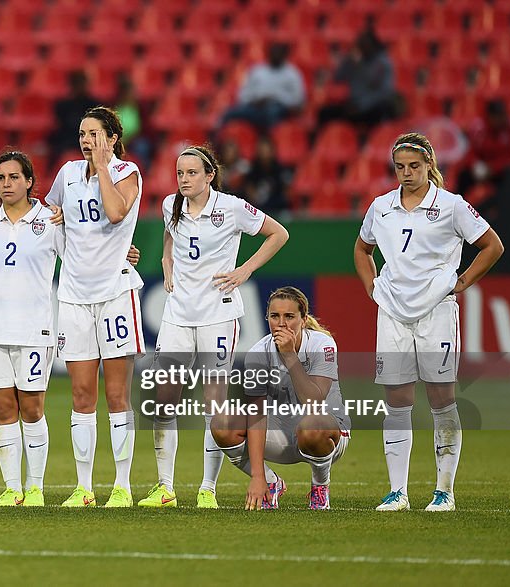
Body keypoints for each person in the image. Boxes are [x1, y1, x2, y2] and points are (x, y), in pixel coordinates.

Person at [354, 133, 504, 512]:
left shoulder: (452, 206)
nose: (406, 173)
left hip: (436, 311)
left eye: (414, 166)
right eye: (400, 167)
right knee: (397, 401)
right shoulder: (381, 206)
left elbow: (492, 245)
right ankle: (397, 492)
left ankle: (444, 491)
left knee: (441, 398)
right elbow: (362, 248)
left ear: (429, 166)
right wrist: (372, 286)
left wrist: (463, 281)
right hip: (392, 312)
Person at [138, 145, 288, 509]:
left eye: (192, 173)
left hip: (218, 314)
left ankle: (208, 488)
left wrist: (245, 270)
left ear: (209, 175)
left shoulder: (232, 207)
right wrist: (166, 257)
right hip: (177, 314)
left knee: (213, 404)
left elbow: (278, 234)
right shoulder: (170, 206)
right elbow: (170, 235)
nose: (184, 179)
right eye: (179, 173)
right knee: (163, 400)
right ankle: (165, 488)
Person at [45, 106, 144, 507]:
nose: (86, 140)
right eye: (82, 133)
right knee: (82, 395)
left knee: (117, 394)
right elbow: (50, 214)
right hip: (73, 294)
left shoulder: (127, 172)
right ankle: (84, 487)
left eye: (94, 133)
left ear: (112, 138)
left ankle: (121, 486)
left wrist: (103, 167)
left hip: (115, 293)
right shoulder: (67, 174)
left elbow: (118, 212)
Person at [0, 151, 61, 507]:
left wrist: (125, 253)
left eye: (13, 177)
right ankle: (12, 488)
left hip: (34, 327)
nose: (6, 184)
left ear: (29, 181)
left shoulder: (51, 221)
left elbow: (82, 257)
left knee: (33, 409)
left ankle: (35, 487)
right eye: (0, 178)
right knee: (4, 410)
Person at [211, 286, 350, 510]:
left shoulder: (322, 344)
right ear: (267, 319)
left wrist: (289, 357)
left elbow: (314, 403)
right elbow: (256, 415)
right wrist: (258, 476)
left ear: (303, 319)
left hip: (326, 435)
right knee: (221, 424)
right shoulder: (258, 354)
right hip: (281, 434)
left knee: (311, 426)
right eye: (275, 316)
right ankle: (271, 483)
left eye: (289, 316)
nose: (282, 323)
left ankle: (320, 486)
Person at [220, 43, 305, 130]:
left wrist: (276, 98)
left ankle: (266, 139)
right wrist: (254, 101)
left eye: (278, 53)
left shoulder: (292, 74)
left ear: (284, 55)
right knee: (230, 113)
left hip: (279, 107)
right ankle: (212, 141)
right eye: (273, 53)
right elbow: (244, 94)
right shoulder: (258, 70)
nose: (275, 55)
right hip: (255, 106)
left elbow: (298, 100)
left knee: (271, 113)